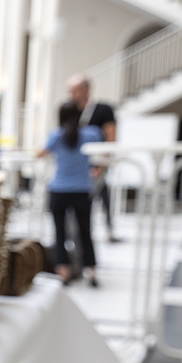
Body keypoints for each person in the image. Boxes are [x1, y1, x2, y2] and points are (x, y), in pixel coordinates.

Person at [38, 101, 101, 287]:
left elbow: (40, 154)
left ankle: (63, 273)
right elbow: (99, 158)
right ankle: (92, 272)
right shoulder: (91, 134)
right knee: (85, 233)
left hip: (59, 189)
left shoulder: (56, 135)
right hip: (82, 190)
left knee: (60, 233)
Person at [66, 74, 119, 242]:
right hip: (75, 166)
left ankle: (107, 229)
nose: (71, 94)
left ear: (85, 90)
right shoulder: (70, 111)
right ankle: (74, 236)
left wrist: (102, 165)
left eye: (74, 90)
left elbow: (111, 137)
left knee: (101, 195)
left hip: (96, 164)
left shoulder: (103, 110)